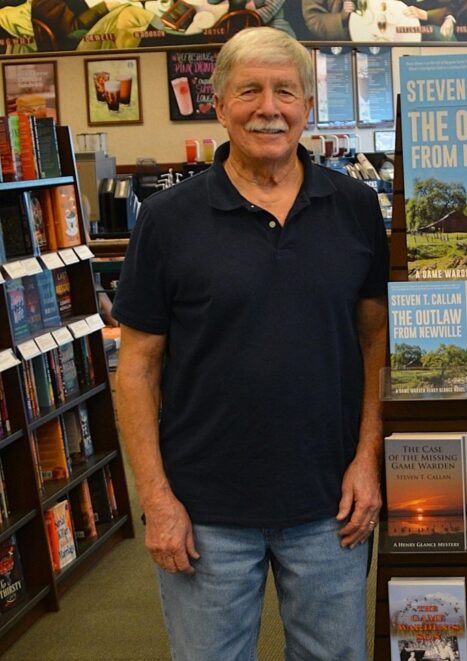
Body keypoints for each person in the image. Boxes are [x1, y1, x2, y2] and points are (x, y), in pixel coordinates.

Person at [113, 27, 388, 660]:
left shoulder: (355, 208)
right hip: (204, 509)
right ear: (218, 105)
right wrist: (156, 499)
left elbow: (376, 343)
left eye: (285, 92)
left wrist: (367, 460)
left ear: (308, 106)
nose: (269, 108)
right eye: (249, 92)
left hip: (330, 503)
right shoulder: (167, 219)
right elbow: (136, 368)